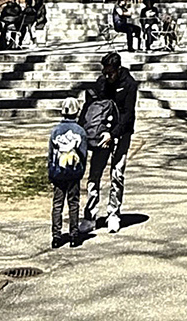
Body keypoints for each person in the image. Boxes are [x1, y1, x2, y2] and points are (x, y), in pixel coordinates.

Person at [78, 51, 138, 236]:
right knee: (94, 174)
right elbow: (91, 107)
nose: (107, 76)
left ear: (118, 69)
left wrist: (113, 134)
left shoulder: (129, 84)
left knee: (117, 174)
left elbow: (128, 115)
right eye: (104, 72)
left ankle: (114, 213)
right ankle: (90, 216)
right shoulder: (101, 82)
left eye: (110, 73)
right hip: (100, 135)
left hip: (121, 133)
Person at [47, 97, 89, 249]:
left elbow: (51, 155)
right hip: (74, 172)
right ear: (77, 112)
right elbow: (83, 154)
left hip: (58, 172)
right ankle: (74, 234)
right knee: (73, 203)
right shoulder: (81, 132)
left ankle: (56, 236)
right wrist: (81, 171)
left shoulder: (55, 131)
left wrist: (50, 172)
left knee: (57, 204)